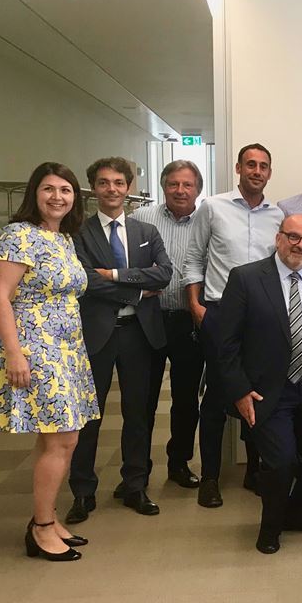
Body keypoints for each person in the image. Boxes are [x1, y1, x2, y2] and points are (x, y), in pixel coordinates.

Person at [213, 215, 302, 555]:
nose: (301, 245)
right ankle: (270, 527)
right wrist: (240, 390)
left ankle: (297, 514)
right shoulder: (246, 278)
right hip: (267, 387)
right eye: (293, 237)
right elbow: (225, 343)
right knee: (281, 461)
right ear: (278, 238)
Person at [0, 162, 99, 561]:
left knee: (55, 438)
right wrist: (14, 353)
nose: (58, 197)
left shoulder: (63, 238)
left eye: (65, 190)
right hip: (37, 348)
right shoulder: (18, 235)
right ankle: (40, 529)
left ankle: (48, 518)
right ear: (34, 193)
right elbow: (0, 296)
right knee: (63, 438)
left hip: (68, 349)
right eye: (49, 189)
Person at [67, 158, 172, 524]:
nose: (111, 189)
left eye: (118, 182)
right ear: (93, 188)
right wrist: (138, 292)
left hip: (138, 334)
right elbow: (84, 280)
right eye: (103, 183)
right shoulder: (78, 232)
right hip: (96, 334)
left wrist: (112, 274)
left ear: (128, 188)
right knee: (88, 416)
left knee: (138, 413)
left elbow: (164, 274)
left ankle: (135, 484)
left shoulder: (147, 231)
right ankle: (82, 491)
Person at [184, 143, 284, 508]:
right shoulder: (213, 207)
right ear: (239, 168)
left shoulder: (278, 215)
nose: (257, 171)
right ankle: (210, 477)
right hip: (219, 312)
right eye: (251, 164)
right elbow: (194, 258)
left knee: (257, 392)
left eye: (263, 166)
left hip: (261, 317)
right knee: (216, 399)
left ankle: (254, 470)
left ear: (269, 172)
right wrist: (196, 306)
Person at [129, 160, 205, 491]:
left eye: (187, 185)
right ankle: (138, 470)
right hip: (148, 319)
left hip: (188, 321)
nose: (180, 190)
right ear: (163, 186)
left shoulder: (207, 220)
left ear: (198, 189)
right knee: (142, 399)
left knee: (186, 399)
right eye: (173, 184)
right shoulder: (141, 218)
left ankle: (179, 463)